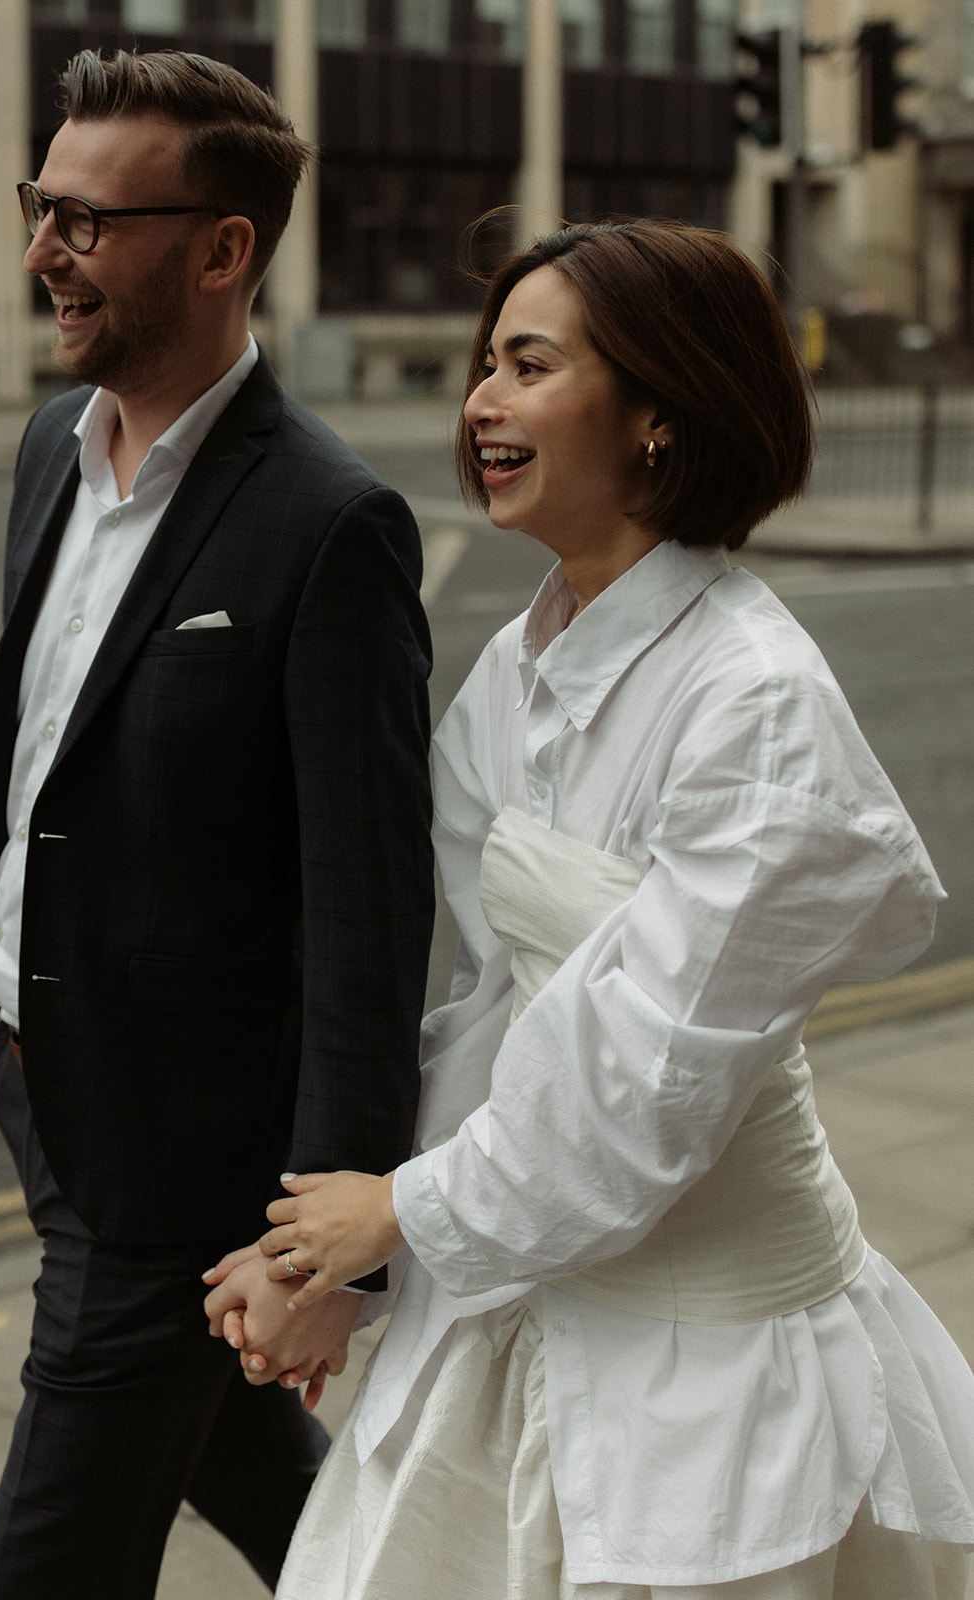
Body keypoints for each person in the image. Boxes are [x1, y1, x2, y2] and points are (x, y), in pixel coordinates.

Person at [206, 220, 974, 1599]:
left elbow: (641, 1091)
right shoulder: (521, 658)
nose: (479, 403)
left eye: (528, 364)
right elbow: (500, 1012)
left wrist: (394, 1219)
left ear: (660, 414)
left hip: (715, 1375)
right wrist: (339, 1262)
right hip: (525, 1295)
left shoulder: (757, 704)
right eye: (482, 364)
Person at [0, 46, 433, 1600]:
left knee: (49, 1563)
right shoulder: (51, 451)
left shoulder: (326, 522)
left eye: (85, 222)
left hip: (181, 1156)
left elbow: (366, 907)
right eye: (40, 209)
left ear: (222, 249)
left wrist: (320, 1246)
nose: (39, 255)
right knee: (249, 1465)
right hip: (43, 1086)